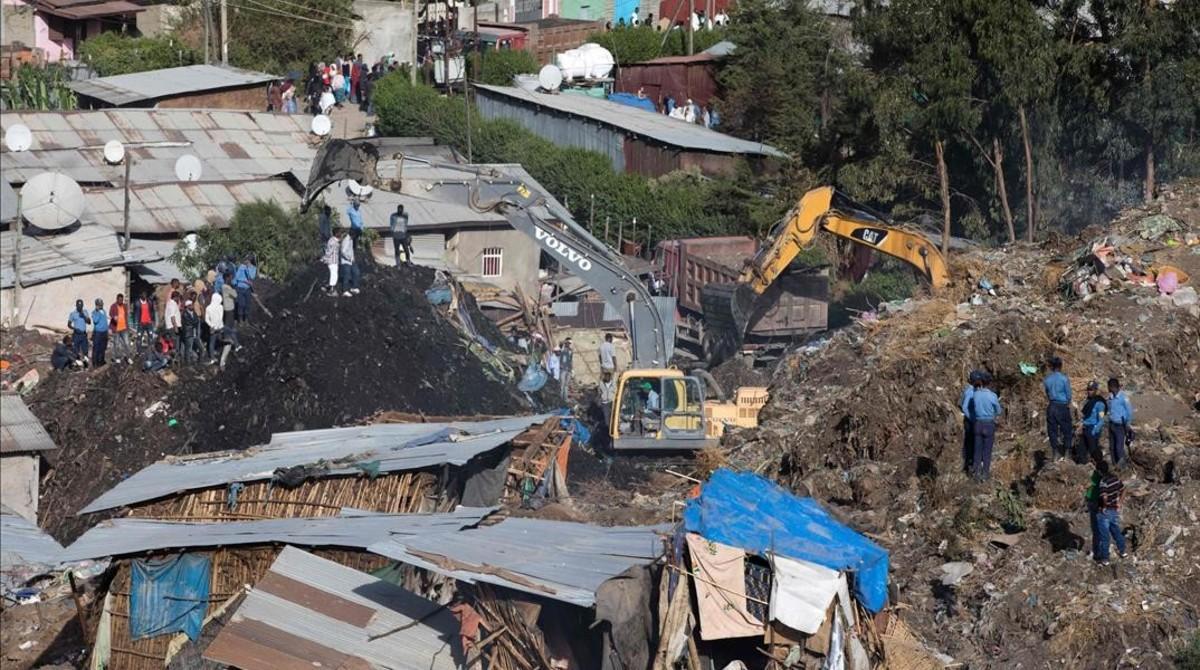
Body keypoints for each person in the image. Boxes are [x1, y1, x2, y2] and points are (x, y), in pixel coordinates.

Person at [1093, 459, 1128, 565]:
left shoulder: (1103, 482)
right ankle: (1123, 551)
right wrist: (1120, 503)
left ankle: (1105, 558)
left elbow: (1104, 496)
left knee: (1104, 536)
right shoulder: (1115, 479)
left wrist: (1103, 506)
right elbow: (1124, 489)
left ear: (1099, 471)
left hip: (1105, 512)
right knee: (1116, 531)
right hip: (1114, 510)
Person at [969, 372, 1002, 481]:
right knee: (987, 451)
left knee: (977, 449)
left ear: (981, 382)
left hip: (978, 423)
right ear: (989, 383)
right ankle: (985, 474)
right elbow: (999, 410)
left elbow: (973, 408)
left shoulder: (975, 395)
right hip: (989, 424)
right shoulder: (992, 396)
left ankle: (976, 473)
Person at [1043, 357, 1073, 460]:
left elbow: (1047, 393)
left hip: (1052, 406)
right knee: (1067, 430)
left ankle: (1055, 452)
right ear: (1060, 366)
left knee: (1052, 430)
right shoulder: (1064, 379)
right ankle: (1067, 452)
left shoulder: (1047, 380)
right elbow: (1069, 395)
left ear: (1052, 367)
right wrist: (1067, 404)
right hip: (1062, 406)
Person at [1107, 378, 1134, 466]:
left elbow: (1129, 411)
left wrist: (1128, 424)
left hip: (1120, 426)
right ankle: (1115, 466)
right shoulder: (1110, 398)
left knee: (1119, 448)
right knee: (1112, 447)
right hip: (1111, 424)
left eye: (1109, 387)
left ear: (1112, 387)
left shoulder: (1123, 398)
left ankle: (1123, 467)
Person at [1080, 381, 1107, 463]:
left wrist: (1094, 431)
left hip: (1092, 429)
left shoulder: (1100, 403)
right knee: (1081, 451)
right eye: (1088, 389)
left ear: (1095, 390)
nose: (1089, 391)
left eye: (1091, 390)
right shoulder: (1087, 401)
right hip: (1085, 428)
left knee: (1093, 451)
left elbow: (1101, 420)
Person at [959, 370, 981, 473]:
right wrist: (972, 418)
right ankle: (968, 463)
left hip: (972, 419)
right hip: (970, 421)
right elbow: (964, 407)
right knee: (970, 441)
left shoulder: (972, 390)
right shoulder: (970, 391)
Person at [109, 293, 133, 364]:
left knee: (127, 343)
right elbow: (110, 314)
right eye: (119, 300)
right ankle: (117, 357)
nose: (120, 301)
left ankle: (128, 357)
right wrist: (114, 317)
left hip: (124, 328)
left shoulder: (125, 306)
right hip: (116, 329)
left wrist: (128, 327)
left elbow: (126, 316)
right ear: (117, 299)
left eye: (122, 300)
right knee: (116, 344)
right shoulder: (113, 306)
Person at [220, 271, 241, 351]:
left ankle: (230, 340)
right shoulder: (227, 287)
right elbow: (235, 295)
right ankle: (232, 342)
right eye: (230, 277)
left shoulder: (223, 287)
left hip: (227, 308)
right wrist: (233, 287)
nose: (231, 279)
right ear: (227, 278)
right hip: (229, 309)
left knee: (229, 325)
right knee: (229, 326)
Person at [233, 256, 257, 323]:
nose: (246, 262)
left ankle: (246, 319)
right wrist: (244, 281)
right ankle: (240, 320)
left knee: (247, 304)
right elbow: (237, 277)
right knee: (241, 304)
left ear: (250, 261)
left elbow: (251, 277)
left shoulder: (253, 268)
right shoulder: (241, 267)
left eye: (248, 260)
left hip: (247, 289)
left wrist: (248, 269)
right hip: (240, 288)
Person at [67, 299, 91, 364]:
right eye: (78, 306)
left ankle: (86, 365)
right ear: (76, 305)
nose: (80, 307)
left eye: (81, 306)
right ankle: (78, 365)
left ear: (83, 305)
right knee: (76, 351)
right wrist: (74, 328)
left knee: (85, 350)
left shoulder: (85, 312)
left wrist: (84, 316)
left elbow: (89, 322)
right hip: (76, 334)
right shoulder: (73, 314)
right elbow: (68, 324)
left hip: (83, 334)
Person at [339, 228, 360, 296]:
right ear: (353, 235)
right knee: (347, 275)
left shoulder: (351, 239)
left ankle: (354, 287)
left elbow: (351, 250)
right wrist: (349, 258)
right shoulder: (346, 240)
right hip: (346, 261)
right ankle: (345, 290)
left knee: (356, 272)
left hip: (351, 260)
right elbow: (343, 252)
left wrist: (353, 258)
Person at [181, 296, 202, 364]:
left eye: (192, 305)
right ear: (187, 306)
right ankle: (188, 363)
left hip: (194, 333)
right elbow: (192, 322)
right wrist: (195, 322)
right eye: (190, 305)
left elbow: (196, 321)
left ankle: (200, 361)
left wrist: (196, 322)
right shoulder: (185, 314)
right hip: (189, 333)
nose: (192, 306)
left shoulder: (194, 313)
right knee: (188, 349)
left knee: (201, 348)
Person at [205, 293, 225, 363]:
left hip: (213, 328)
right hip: (219, 327)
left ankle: (212, 356)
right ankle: (214, 355)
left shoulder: (208, 308)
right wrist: (218, 326)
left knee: (212, 342)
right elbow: (220, 318)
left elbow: (206, 319)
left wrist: (212, 325)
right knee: (217, 340)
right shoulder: (221, 307)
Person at [91, 298, 109, 367]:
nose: (101, 305)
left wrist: (107, 330)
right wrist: (97, 311)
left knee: (103, 348)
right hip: (98, 333)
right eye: (99, 304)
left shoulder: (104, 311)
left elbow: (105, 321)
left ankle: (101, 361)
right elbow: (95, 321)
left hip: (104, 332)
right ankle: (95, 363)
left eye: (101, 304)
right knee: (96, 348)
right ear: (96, 305)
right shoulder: (94, 312)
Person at [324, 230, 341, 295]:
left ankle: (330, 287)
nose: (341, 234)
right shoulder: (334, 242)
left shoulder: (332, 240)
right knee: (334, 275)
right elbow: (329, 252)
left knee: (333, 275)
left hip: (333, 261)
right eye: (340, 233)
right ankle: (331, 290)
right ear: (336, 233)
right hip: (332, 261)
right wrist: (324, 258)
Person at [559, 338, 574, 403]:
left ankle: (565, 398)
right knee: (562, 385)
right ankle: (561, 398)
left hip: (568, 369)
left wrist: (572, 369)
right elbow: (560, 343)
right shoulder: (562, 349)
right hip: (563, 369)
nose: (568, 345)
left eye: (569, 343)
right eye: (567, 343)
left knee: (566, 385)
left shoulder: (570, 351)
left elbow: (570, 360)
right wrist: (565, 341)